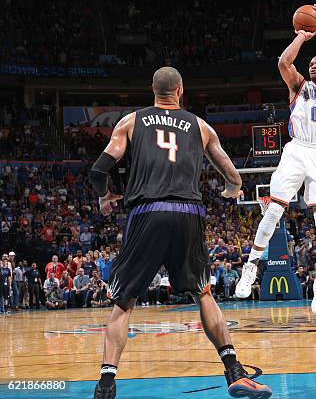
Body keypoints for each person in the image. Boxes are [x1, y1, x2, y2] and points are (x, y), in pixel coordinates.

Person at [89, 67, 271, 398]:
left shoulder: (131, 121)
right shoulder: (200, 126)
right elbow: (233, 176)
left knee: (124, 303)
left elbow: (99, 169)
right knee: (203, 293)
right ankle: (234, 371)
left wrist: (105, 195)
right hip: (188, 213)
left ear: (152, 91)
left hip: (147, 213)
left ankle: (106, 384)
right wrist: (231, 190)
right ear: (180, 91)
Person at [237, 5, 316, 314]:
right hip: (297, 149)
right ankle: (250, 267)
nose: (313, 66)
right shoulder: (298, 87)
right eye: (311, 63)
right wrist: (301, 37)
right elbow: (284, 61)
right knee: (273, 212)